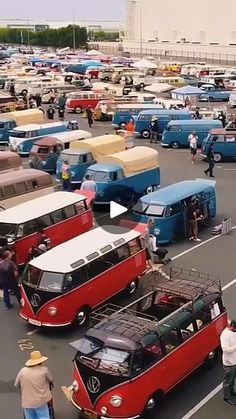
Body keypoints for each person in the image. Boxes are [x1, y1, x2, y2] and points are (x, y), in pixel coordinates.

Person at [15, 350, 54, 419]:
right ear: (40, 362)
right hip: (40, 402)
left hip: (27, 403)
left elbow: (17, 384)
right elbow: (51, 379)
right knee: (43, 416)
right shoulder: (44, 370)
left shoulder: (23, 370)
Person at [220, 320, 236, 406]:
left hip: (235, 360)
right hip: (229, 363)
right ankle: (227, 398)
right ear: (233, 327)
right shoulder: (225, 335)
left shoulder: (234, 332)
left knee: (232, 379)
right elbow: (225, 350)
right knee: (228, 380)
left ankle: (232, 392)